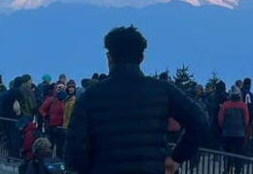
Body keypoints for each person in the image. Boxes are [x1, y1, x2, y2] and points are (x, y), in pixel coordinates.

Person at [65, 25, 208, 174]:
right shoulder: (163, 91)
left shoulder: (91, 96)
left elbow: (75, 148)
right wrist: (177, 157)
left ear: (110, 57)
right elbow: (199, 120)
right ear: (141, 58)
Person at [218, 86, 250, 174]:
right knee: (238, 154)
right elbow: (246, 120)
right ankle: (237, 170)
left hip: (227, 133)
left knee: (227, 153)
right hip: (240, 134)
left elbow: (220, 119)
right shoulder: (243, 105)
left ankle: (227, 170)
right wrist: (243, 128)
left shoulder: (225, 105)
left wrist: (223, 127)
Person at [39, 84, 66, 156]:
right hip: (51, 125)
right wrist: (46, 116)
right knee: (50, 144)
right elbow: (41, 109)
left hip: (60, 126)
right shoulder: (51, 99)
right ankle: (48, 159)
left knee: (60, 145)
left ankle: (58, 160)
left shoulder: (65, 100)